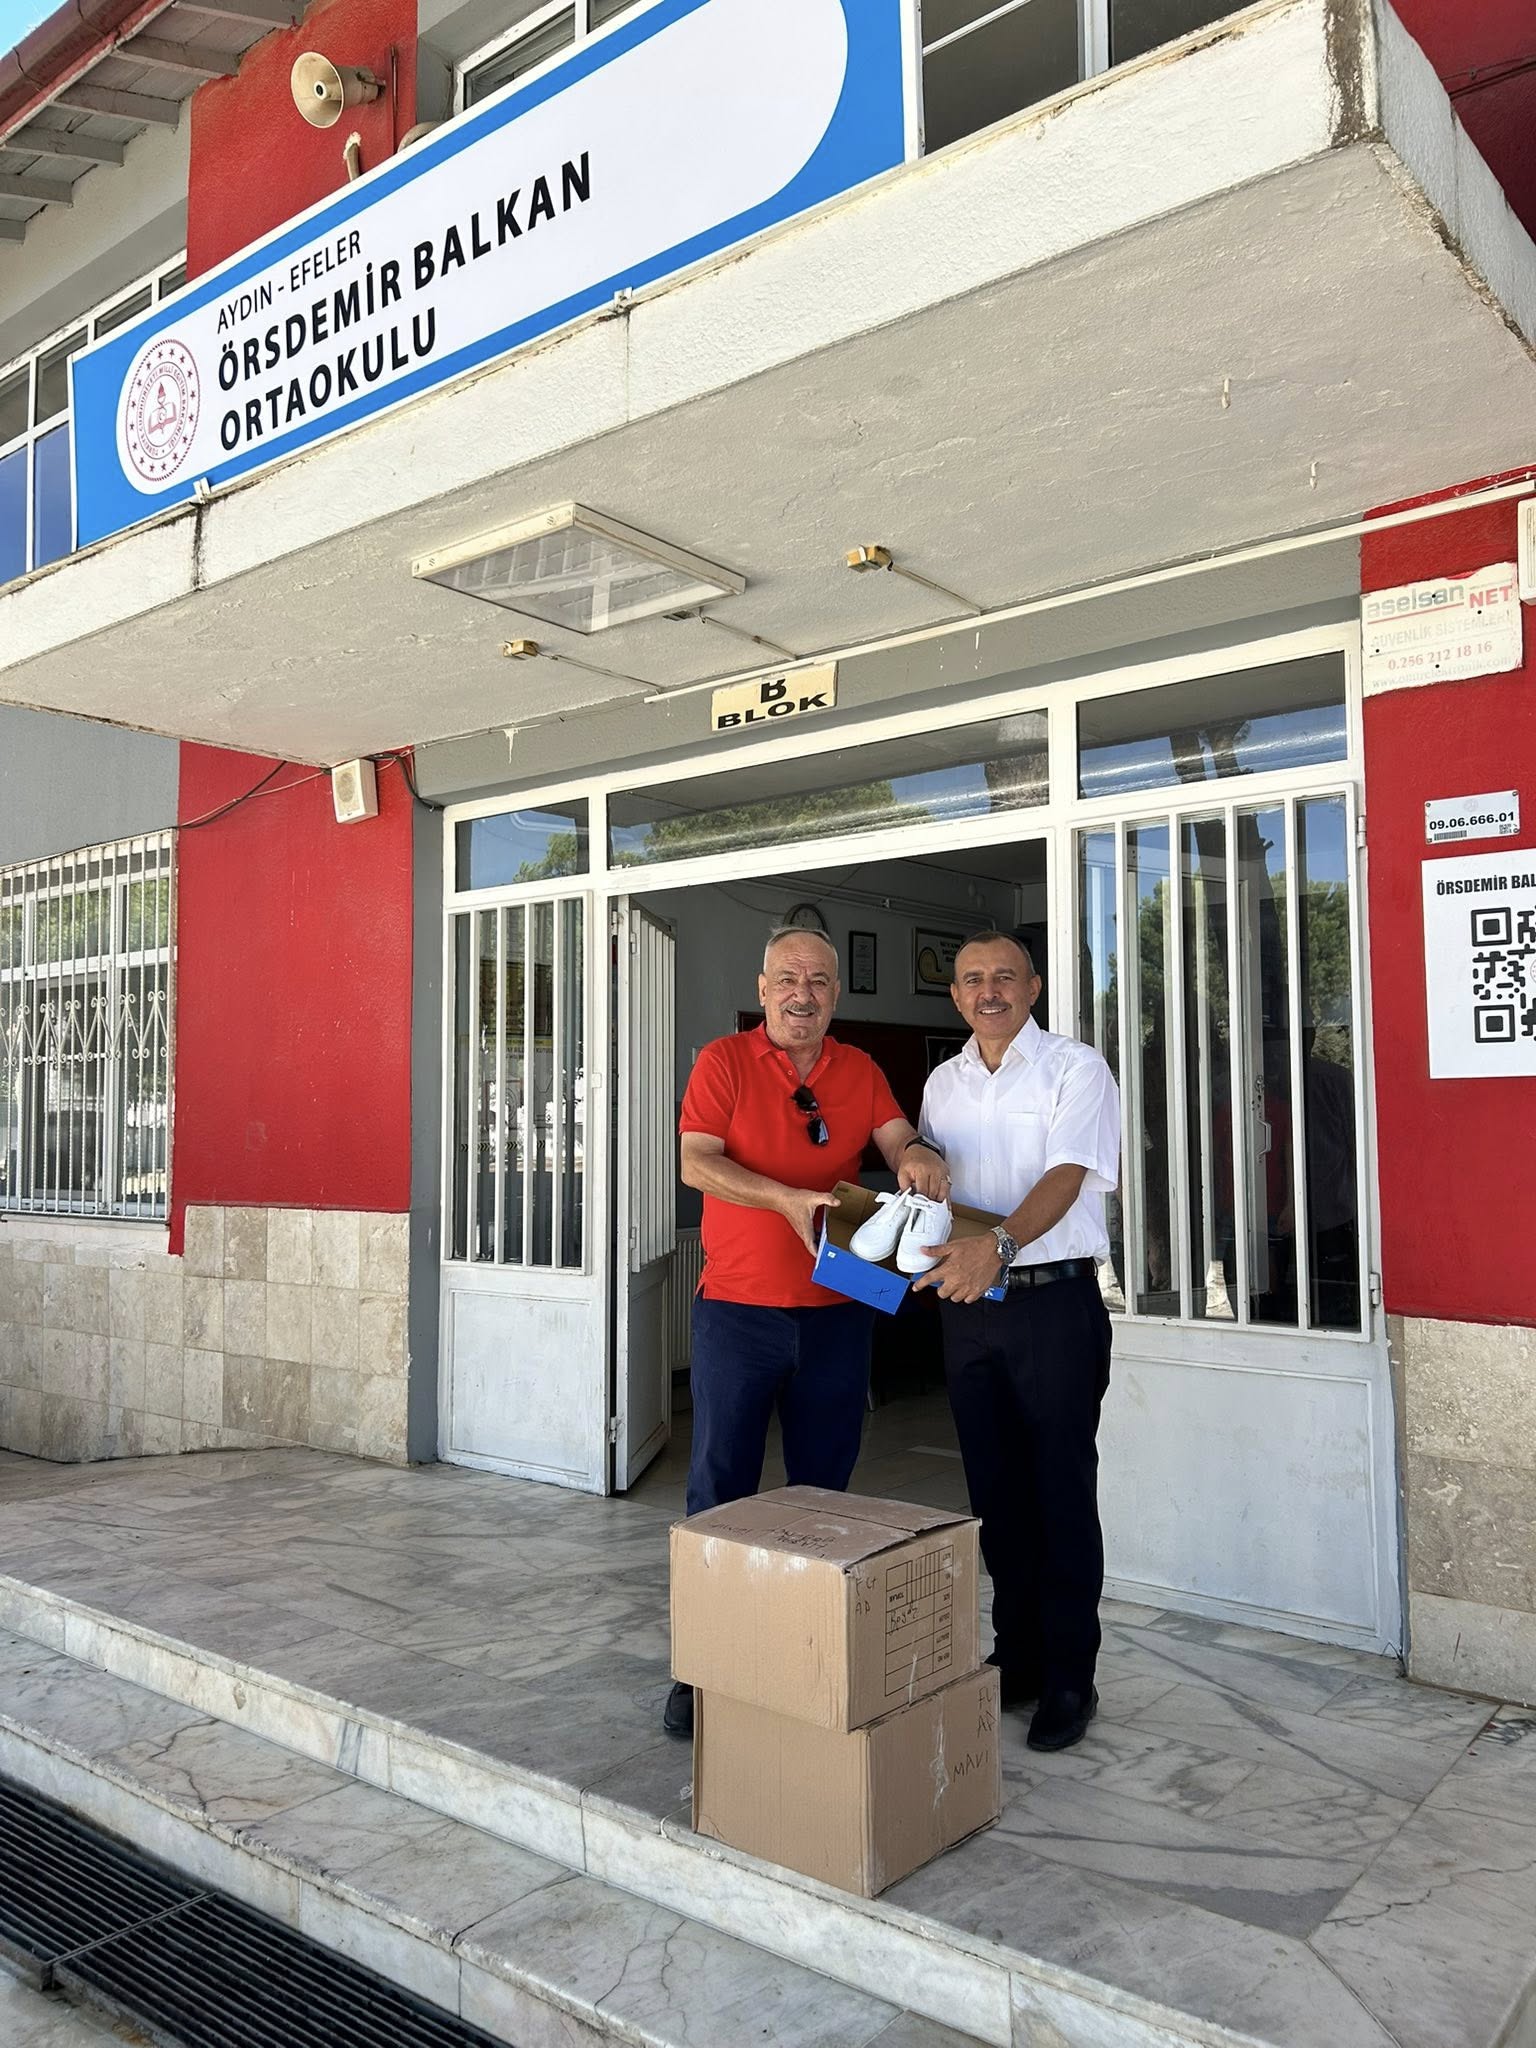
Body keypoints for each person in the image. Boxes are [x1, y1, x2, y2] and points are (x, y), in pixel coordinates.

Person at [663, 925, 949, 1739]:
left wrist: (919, 1154)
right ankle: (702, 1670)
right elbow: (695, 1162)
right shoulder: (723, 1062)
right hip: (737, 1313)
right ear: (763, 989)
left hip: (837, 1316)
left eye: (819, 980)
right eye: (788, 978)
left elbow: (897, 1138)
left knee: (825, 1496)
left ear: (835, 995)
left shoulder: (859, 1069)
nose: (803, 993)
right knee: (720, 1493)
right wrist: (785, 1199)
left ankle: (805, 1654)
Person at [912, 931, 1120, 1753]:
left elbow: (1067, 1175)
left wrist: (996, 1247)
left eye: (1004, 976)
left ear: (1033, 987)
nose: (988, 990)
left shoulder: (1076, 1068)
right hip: (969, 1307)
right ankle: (1021, 1656)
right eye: (972, 979)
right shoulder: (942, 1083)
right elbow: (933, 1184)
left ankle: (1071, 1675)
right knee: (996, 1494)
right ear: (956, 995)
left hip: (1053, 1304)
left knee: (1060, 1490)